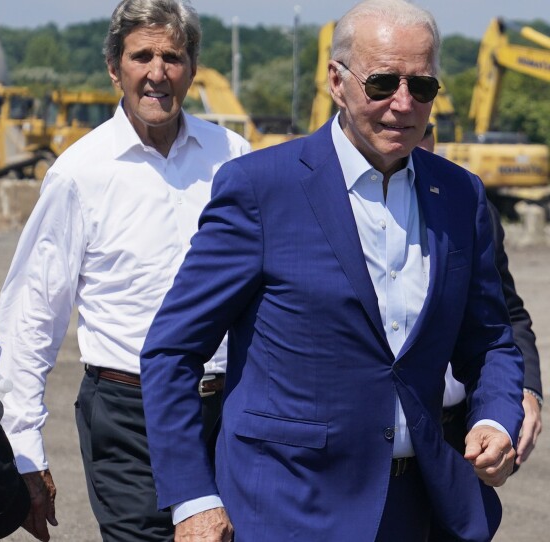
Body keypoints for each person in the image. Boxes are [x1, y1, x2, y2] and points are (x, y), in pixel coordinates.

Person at [140, 1, 525, 540]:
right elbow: (171, 351)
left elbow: (490, 341)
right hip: (287, 508)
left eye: (422, 87)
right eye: (382, 83)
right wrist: (192, 499)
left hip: (419, 508)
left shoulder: (460, 194)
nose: (403, 103)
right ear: (336, 82)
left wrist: (493, 417)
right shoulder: (260, 189)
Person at [0, 1, 250, 540]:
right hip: (130, 418)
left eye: (172, 57)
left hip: (231, 411)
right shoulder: (79, 174)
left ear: (192, 68)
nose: (158, 72)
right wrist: (24, 447)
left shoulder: (234, 158)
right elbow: (32, 318)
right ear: (114, 68)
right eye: (142, 56)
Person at [419, 124, 543, 464]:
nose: (412, 134)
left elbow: (507, 316)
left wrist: (525, 390)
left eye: (425, 129)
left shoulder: (469, 204)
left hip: (461, 436)